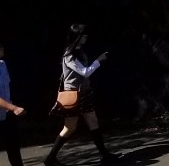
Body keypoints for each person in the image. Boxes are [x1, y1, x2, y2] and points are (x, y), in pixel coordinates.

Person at [44, 25, 116, 166]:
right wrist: (99, 60)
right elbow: (85, 72)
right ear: (77, 36)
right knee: (70, 127)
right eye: (83, 35)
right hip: (74, 95)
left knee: (93, 121)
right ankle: (50, 158)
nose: (86, 37)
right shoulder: (69, 55)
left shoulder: (78, 51)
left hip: (85, 92)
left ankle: (104, 154)